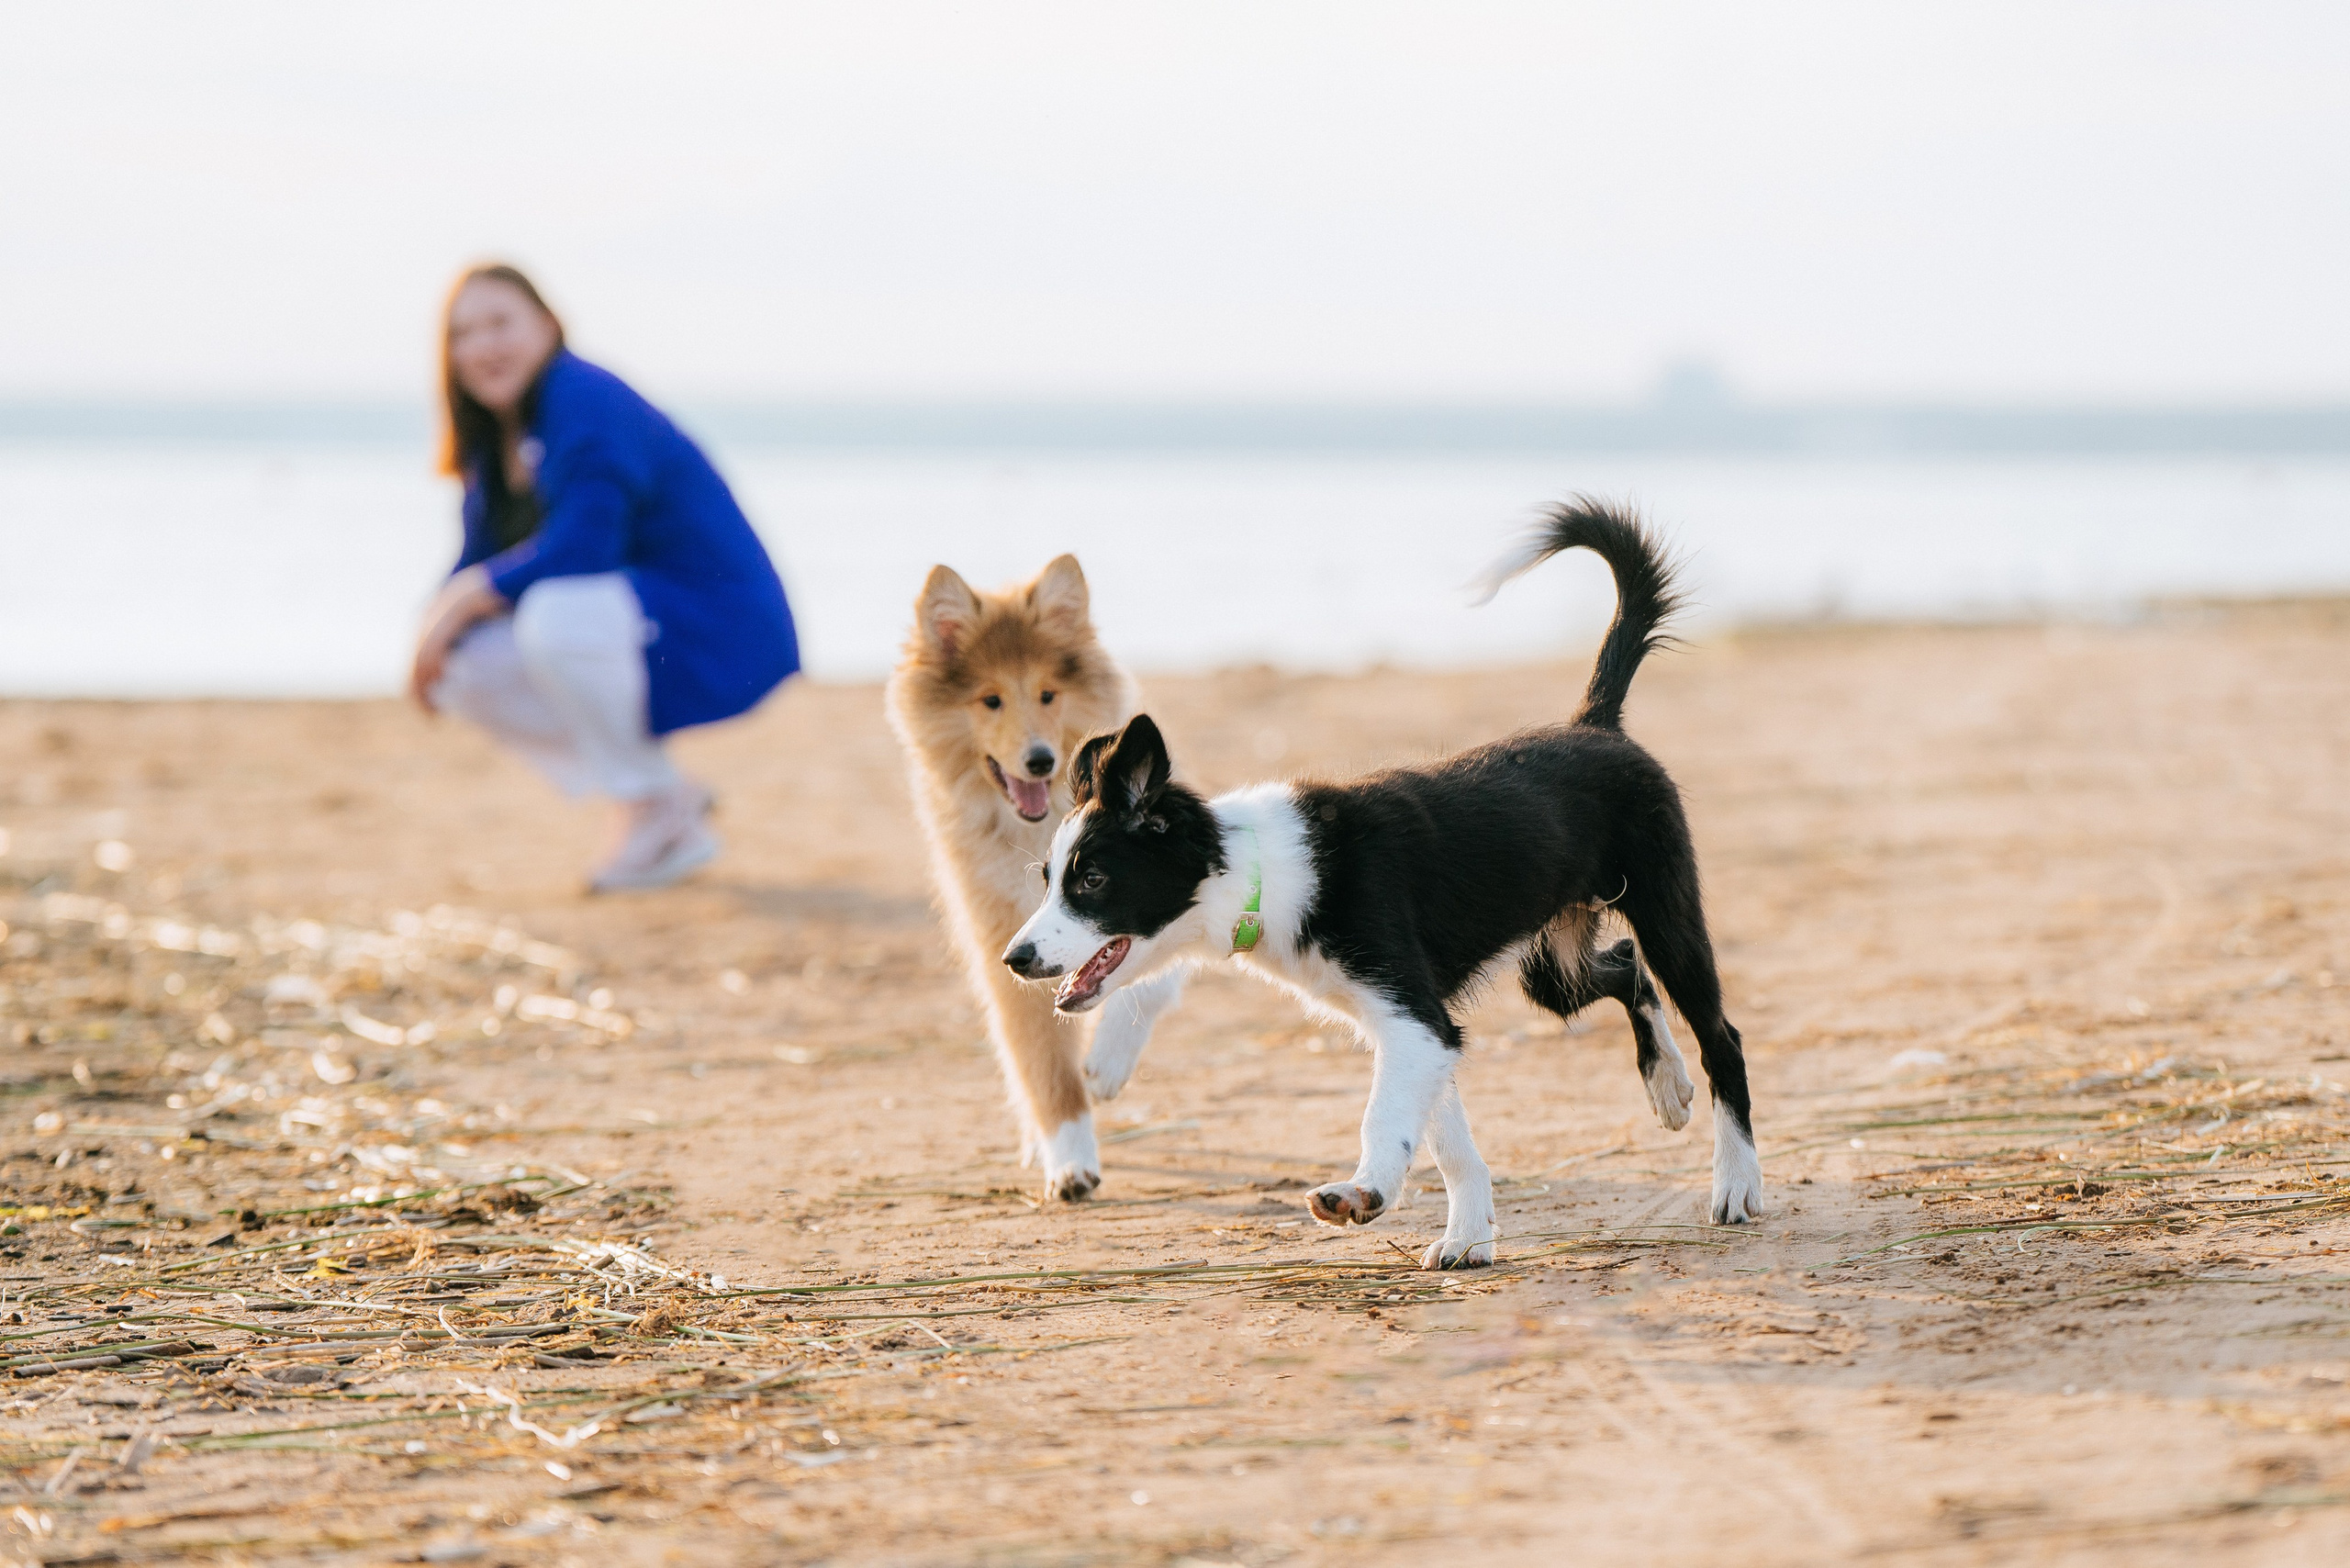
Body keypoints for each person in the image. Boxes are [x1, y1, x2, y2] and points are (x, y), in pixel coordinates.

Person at [409, 264, 798, 890]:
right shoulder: (498, 436)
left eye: (500, 323)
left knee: (554, 615)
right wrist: (434, 622)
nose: (483, 346)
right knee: (460, 663)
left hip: (718, 624)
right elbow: (478, 554)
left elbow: (585, 548)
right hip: (640, 623)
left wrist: (465, 597)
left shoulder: (583, 396)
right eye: (463, 333)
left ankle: (650, 803)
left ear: (548, 325)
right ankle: (660, 797)